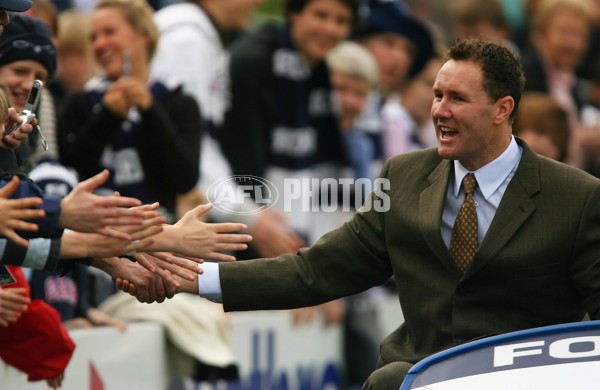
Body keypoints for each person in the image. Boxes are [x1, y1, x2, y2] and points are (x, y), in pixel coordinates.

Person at [121, 37, 600, 389]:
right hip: (414, 378)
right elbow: (318, 270)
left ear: (502, 109)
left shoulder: (577, 198)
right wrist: (194, 278)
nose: (439, 111)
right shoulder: (405, 176)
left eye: (457, 99)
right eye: (436, 95)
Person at [151, 0, 306, 260]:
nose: (258, 2)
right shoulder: (187, 39)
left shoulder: (200, 34)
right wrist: (247, 215)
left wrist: (248, 211)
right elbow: (185, 150)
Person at [58, 0, 201, 224]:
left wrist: (149, 111)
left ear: (144, 35)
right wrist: (107, 117)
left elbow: (184, 179)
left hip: (160, 234)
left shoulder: (178, 101)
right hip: (94, 236)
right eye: (93, 37)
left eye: (109, 32)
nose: (100, 44)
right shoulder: (80, 101)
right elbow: (69, 173)